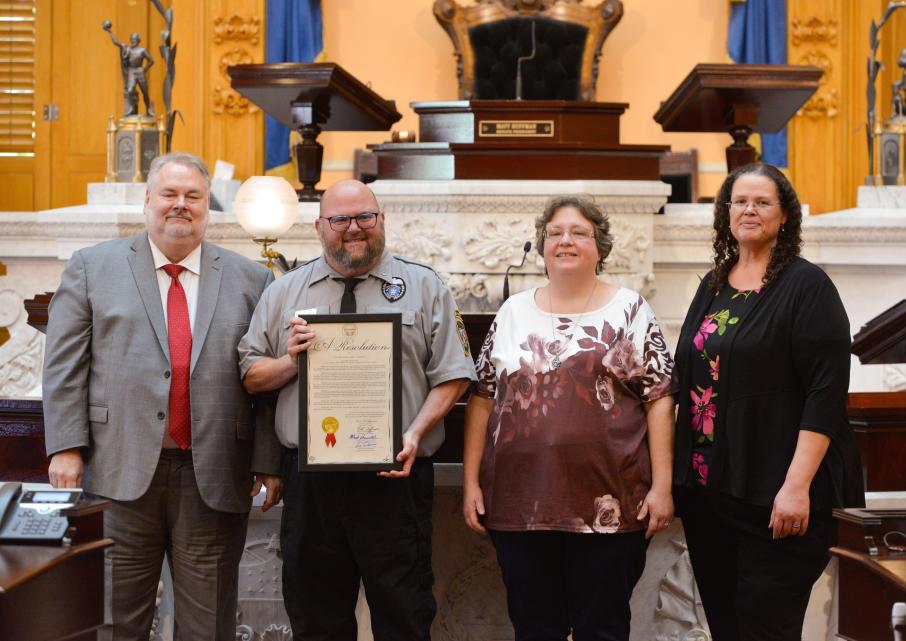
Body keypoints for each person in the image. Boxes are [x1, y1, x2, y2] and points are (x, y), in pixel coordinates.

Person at [44, 152, 283, 641]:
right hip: (119, 471)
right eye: (169, 195)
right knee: (116, 619)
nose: (181, 205)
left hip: (213, 474)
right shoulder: (92, 268)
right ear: (148, 201)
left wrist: (268, 459)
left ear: (206, 207)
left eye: (192, 196)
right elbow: (65, 367)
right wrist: (66, 448)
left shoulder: (251, 278)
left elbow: (265, 380)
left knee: (209, 625)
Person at [238, 179, 477, 641]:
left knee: (404, 616)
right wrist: (290, 360)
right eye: (340, 219)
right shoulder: (284, 291)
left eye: (365, 217)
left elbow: (453, 374)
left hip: (395, 478)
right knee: (315, 619)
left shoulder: (425, 287)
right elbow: (251, 376)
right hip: (312, 483)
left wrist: (414, 432)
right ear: (319, 226)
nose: (354, 229)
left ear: (381, 220)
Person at [462, 195, 677, 641]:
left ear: (600, 247)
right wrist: (470, 484)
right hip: (520, 505)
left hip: (610, 506)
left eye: (579, 232)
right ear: (541, 247)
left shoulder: (631, 310)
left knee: (603, 629)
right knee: (535, 630)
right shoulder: (512, 312)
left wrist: (662, 486)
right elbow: (482, 397)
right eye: (555, 233)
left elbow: (659, 398)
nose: (566, 241)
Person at [672, 163, 865, 641]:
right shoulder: (715, 283)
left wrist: (796, 486)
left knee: (766, 629)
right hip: (710, 494)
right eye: (740, 201)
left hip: (777, 497)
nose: (749, 210)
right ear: (726, 213)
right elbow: (687, 375)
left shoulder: (807, 286)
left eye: (762, 202)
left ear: (785, 216)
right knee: (727, 628)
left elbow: (826, 393)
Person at [102, 22, 155, 117]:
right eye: (132, 39)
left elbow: (151, 61)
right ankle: (132, 108)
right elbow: (116, 42)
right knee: (130, 90)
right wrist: (110, 32)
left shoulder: (142, 50)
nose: (133, 41)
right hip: (132, 71)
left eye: (134, 39)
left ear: (138, 40)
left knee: (145, 92)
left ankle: (148, 109)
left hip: (140, 71)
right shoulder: (128, 49)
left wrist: (145, 69)